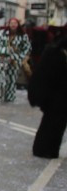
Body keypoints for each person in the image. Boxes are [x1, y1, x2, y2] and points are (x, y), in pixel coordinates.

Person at [28, 30, 67, 158]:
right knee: (53, 123)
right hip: (56, 96)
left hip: (58, 96)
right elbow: (43, 77)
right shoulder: (55, 53)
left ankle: (47, 149)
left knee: (56, 123)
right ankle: (44, 150)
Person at [0, 18, 31, 105]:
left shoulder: (23, 36)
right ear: (8, 24)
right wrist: (3, 51)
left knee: (11, 79)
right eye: (11, 23)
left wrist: (20, 57)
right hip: (2, 58)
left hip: (14, 60)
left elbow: (27, 48)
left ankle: (9, 97)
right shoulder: (2, 33)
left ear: (18, 24)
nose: (13, 25)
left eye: (15, 23)